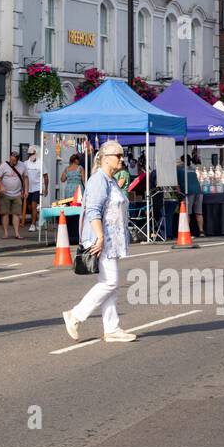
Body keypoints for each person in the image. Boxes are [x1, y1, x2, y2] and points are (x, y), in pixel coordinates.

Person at [62, 141, 136, 343]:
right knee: (110, 282)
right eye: (117, 155)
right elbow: (93, 210)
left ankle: (111, 328)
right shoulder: (98, 180)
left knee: (109, 283)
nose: (121, 159)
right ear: (104, 157)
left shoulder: (110, 180)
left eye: (122, 155)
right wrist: (100, 237)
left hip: (112, 239)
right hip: (100, 239)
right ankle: (75, 315)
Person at [0, 150, 27, 240]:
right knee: (5, 214)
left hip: (17, 193)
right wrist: (1, 186)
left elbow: (25, 178)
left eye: (14, 161)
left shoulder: (22, 165)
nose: (12, 162)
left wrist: (26, 191)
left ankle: (17, 233)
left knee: (16, 214)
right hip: (5, 193)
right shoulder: (4, 165)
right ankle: (5, 233)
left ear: (18, 160)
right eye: (11, 160)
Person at [177, 156, 204, 236]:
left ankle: (186, 232)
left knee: (187, 213)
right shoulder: (192, 168)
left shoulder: (179, 169)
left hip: (188, 192)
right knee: (199, 212)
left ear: (182, 160)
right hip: (198, 191)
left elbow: (176, 184)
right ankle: (201, 231)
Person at [24, 147, 43, 233]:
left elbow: (45, 176)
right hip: (29, 188)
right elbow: (24, 177)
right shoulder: (26, 164)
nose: (31, 156)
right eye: (30, 154)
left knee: (33, 205)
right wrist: (24, 189)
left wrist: (45, 188)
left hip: (37, 187)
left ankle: (33, 224)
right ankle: (38, 219)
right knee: (30, 207)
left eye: (33, 154)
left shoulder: (40, 163)